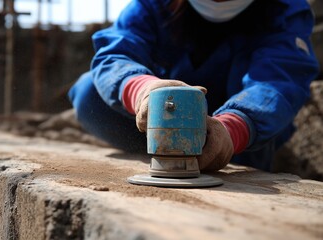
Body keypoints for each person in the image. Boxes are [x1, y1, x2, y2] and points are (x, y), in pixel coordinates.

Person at [68, 0, 319, 171]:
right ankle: (162, 155)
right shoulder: (153, 5)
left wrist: (233, 128)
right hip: (159, 119)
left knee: (256, 135)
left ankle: (223, 152)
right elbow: (116, 53)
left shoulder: (285, 9)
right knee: (88, 92)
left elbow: (278, 82)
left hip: (236, 136)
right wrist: (142, 89)